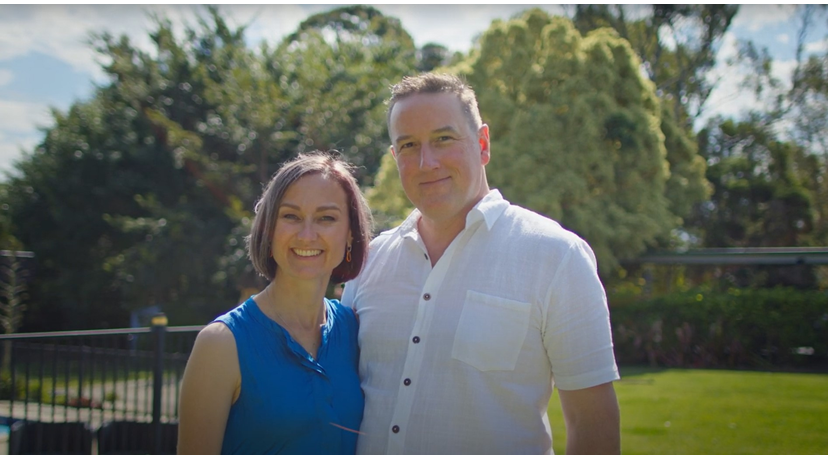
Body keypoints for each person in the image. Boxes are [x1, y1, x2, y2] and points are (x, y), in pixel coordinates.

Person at [341, 73, 621, 454]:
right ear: (395, 158)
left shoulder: (557, 257)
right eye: (408, 145)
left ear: (483, 144)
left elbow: (593, 423)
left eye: (444, 139)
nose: (427, 162)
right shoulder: (367, 263)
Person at [178, 151, 373, 454]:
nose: (307, 235)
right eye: (291, 216)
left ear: (350, 235)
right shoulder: (220, 345)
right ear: (269, 229)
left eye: (327, 218)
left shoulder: (355, 329)